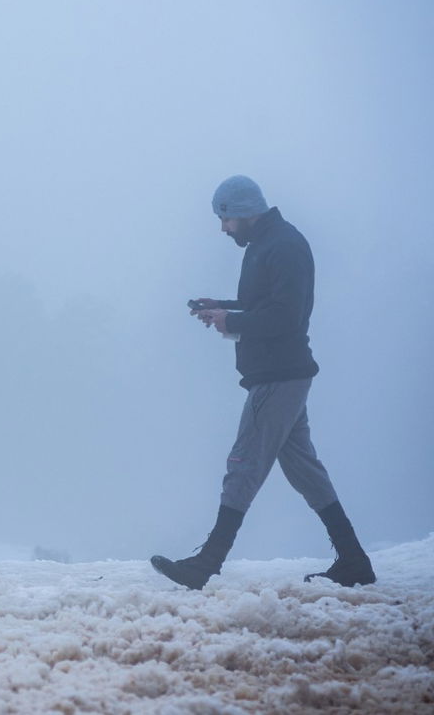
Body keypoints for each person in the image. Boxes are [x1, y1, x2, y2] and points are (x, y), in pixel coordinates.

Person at [151, 175, 375, 590]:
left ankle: (206, 564)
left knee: (242, 464)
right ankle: (354, 560)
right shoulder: (266, 244)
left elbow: (287, 316)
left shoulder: (283, 246)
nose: (223, 229)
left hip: (278, 377)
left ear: (243, 212)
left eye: (225, 219)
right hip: (282, 374)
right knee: (306, 472)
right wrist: (223, 307)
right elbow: (266, 304)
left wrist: (232, 321)